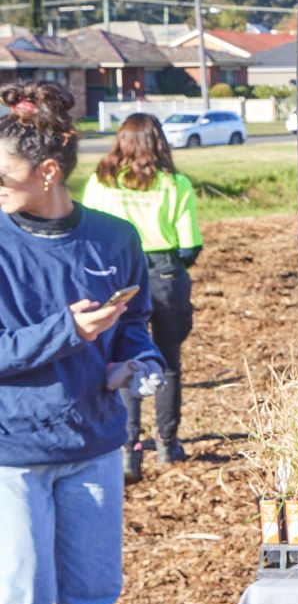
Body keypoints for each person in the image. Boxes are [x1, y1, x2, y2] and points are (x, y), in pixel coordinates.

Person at [0, 81, 167, 604]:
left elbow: (136, 326)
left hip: (95, 446)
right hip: (14, 453)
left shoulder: (113, 239)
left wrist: (139, 363)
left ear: (47, 175)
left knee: (94, 601)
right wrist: (67, 330)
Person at [79, 113, 201, 478]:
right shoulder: (174, 183)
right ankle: (168, 443)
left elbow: (88, 238)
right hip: (164, 272)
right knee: (166, 360)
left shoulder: (99, 183)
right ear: (159, 142)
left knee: (123, 357)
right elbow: (190, 246)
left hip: (116, 278)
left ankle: (129, 448)